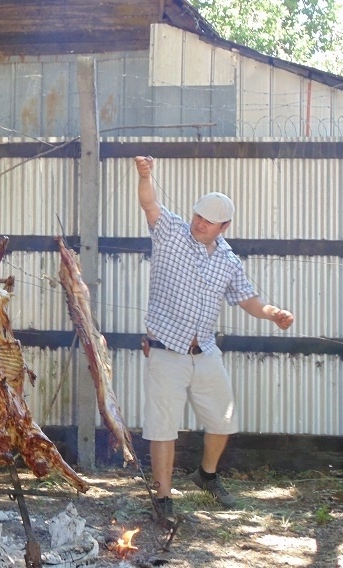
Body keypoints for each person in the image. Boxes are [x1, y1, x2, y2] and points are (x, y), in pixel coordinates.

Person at [134, 156, 294, 521]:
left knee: (224, 420)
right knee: (163, 427)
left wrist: (273, 314)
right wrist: (146, 176)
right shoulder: (171, 230)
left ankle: (206, 476)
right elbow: (148, 203)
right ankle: (162, 497)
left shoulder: (229, 261)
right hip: (165, 349)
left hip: (204, 350)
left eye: (208, 221)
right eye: (197, 216)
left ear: (224, 226)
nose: (199, 224)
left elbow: (249, 300)